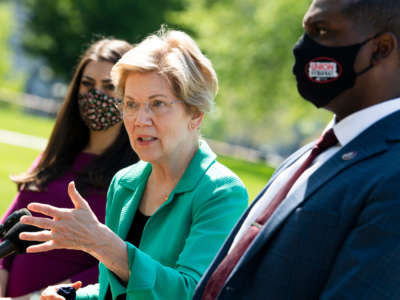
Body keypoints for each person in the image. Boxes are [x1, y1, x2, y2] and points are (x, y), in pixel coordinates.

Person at [20, 28, 248, 300]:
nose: (140, 119)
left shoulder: (222, 193)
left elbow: (190, 293)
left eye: (157, 103)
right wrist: (72, 297)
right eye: (130, 103)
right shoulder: (126, 182)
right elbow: (115, 290)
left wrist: (101, 243)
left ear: (195, 114)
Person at [193, 0, 400, 299]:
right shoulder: (309, 155)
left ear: (380, 49)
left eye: (323, 31)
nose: (302, 48)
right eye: (306, 31)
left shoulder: (393, 175)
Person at [0, 39, 139, 299]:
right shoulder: (53, 157)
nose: (96, 95)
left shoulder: (135, 178)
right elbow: (9, 228)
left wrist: (36, 297)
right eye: (87, 85)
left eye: (109, 87)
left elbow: (119, 263)